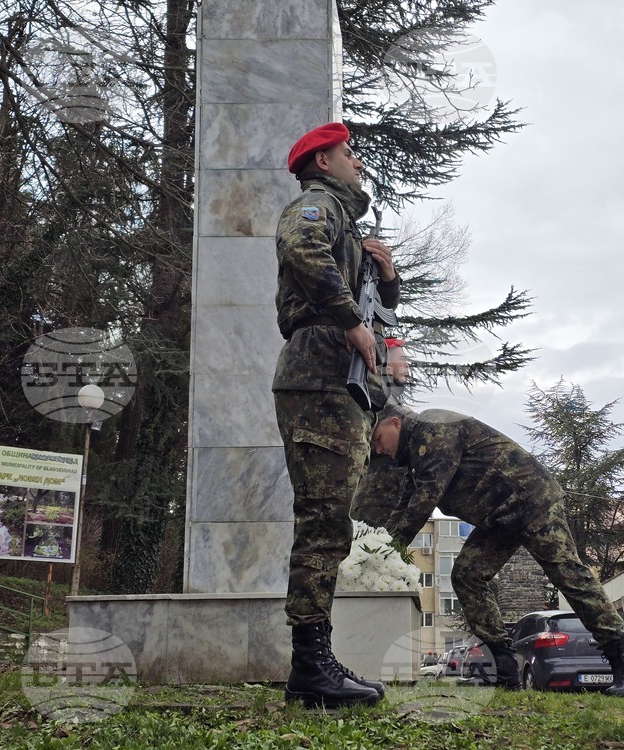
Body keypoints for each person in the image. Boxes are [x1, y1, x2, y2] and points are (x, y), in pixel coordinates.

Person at [369, 405, 624, 696]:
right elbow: (406, 502)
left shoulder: (434, 425)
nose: (378, 449)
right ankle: (505, 670)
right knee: (468, 575)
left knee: (569, 575)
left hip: (530, 500)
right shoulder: (416, 453)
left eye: (378, 439)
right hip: (499, 517)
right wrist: (379, 549)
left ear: (395, 423)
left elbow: (426, 496)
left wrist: (390, 550)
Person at [274, 122, 401, 708]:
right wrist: (350, 319)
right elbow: (300, 248)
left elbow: (377, 314)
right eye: (346, 152)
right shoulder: (316, 204)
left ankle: (314, 662)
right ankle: (311, 666)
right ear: (321, 161)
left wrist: (385, 279)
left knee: (331, 520)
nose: (355, 160)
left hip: (336, 380)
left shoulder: (345, 222)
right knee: (323, 520)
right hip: (319, 372)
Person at [350, 339, 410, 528]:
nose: (407, 367)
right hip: (377, 496)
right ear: (388, 366)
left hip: (386, 494)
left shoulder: (388, 396)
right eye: (402, 360)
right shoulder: (379, 397)